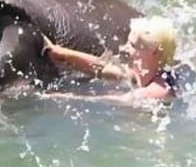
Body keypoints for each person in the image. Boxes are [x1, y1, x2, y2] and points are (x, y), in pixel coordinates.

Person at [41, 15, 180, 106]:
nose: (126, 49)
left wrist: (63, 97)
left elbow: (120, 100)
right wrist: (61, 53)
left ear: (154, 51)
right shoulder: (143, 70)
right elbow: (102, 68)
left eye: (133, 46)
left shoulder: (161, 90)